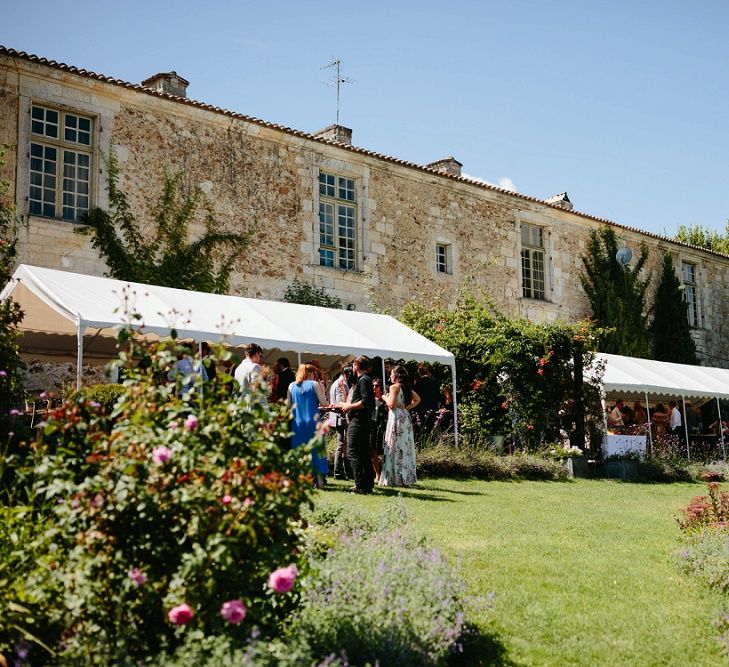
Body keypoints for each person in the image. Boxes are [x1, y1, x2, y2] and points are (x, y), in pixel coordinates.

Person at [287, 363, 328, 487]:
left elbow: (288, 406)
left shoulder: (291, 386)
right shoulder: (315, 384)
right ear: (310, 373)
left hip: (297, 423)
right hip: (313, 422)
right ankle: (320, 482)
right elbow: (324, 403)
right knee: (317, 451)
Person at [379, 364, 420, 487]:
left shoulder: (394, 387)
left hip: (396, 417)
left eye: (391, 374)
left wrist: (384, 397)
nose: (390, 376)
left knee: (394, 447)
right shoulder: (406, 387)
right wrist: (406, 407)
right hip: (405, 417)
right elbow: (418, 399)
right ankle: (405, 476)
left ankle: (393, 477)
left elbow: (391, 404)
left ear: (396, 376)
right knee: (404, 447)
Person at [339, 355, 376, 494]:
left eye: (353, 365)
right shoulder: (364, 380)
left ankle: (360, 485)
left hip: (359, 421)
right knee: (363, 452)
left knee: (353, 452)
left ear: (356, 365)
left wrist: (349, 406)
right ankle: (367, 485)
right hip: (361, 420)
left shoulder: (364, 380)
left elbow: (366, 402)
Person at [329, 366, 354, 480]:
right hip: (340, 417)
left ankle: (345, 472)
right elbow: (340, 403)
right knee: (341, 445)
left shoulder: (339, 383)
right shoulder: (340, 384)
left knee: (343, 445)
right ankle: (338, 472)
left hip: (339, 417)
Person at [370, 378, 388, 482]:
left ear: (381, 388)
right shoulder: (370, 400)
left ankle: (384, 473)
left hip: (382, 428)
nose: (374, 388)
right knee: (373, 452)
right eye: (373, 386)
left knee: (383, 452)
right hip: (372, 428)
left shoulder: (384, 401)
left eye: (376, 386)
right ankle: (377, 474)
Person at [413, 363, 439, 434]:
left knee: (422, 427)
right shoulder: (434, 382)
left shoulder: (418, 384)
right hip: (433, 407)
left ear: (419, 373)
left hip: (421, 408)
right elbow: (438, 395)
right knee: (431, 427)